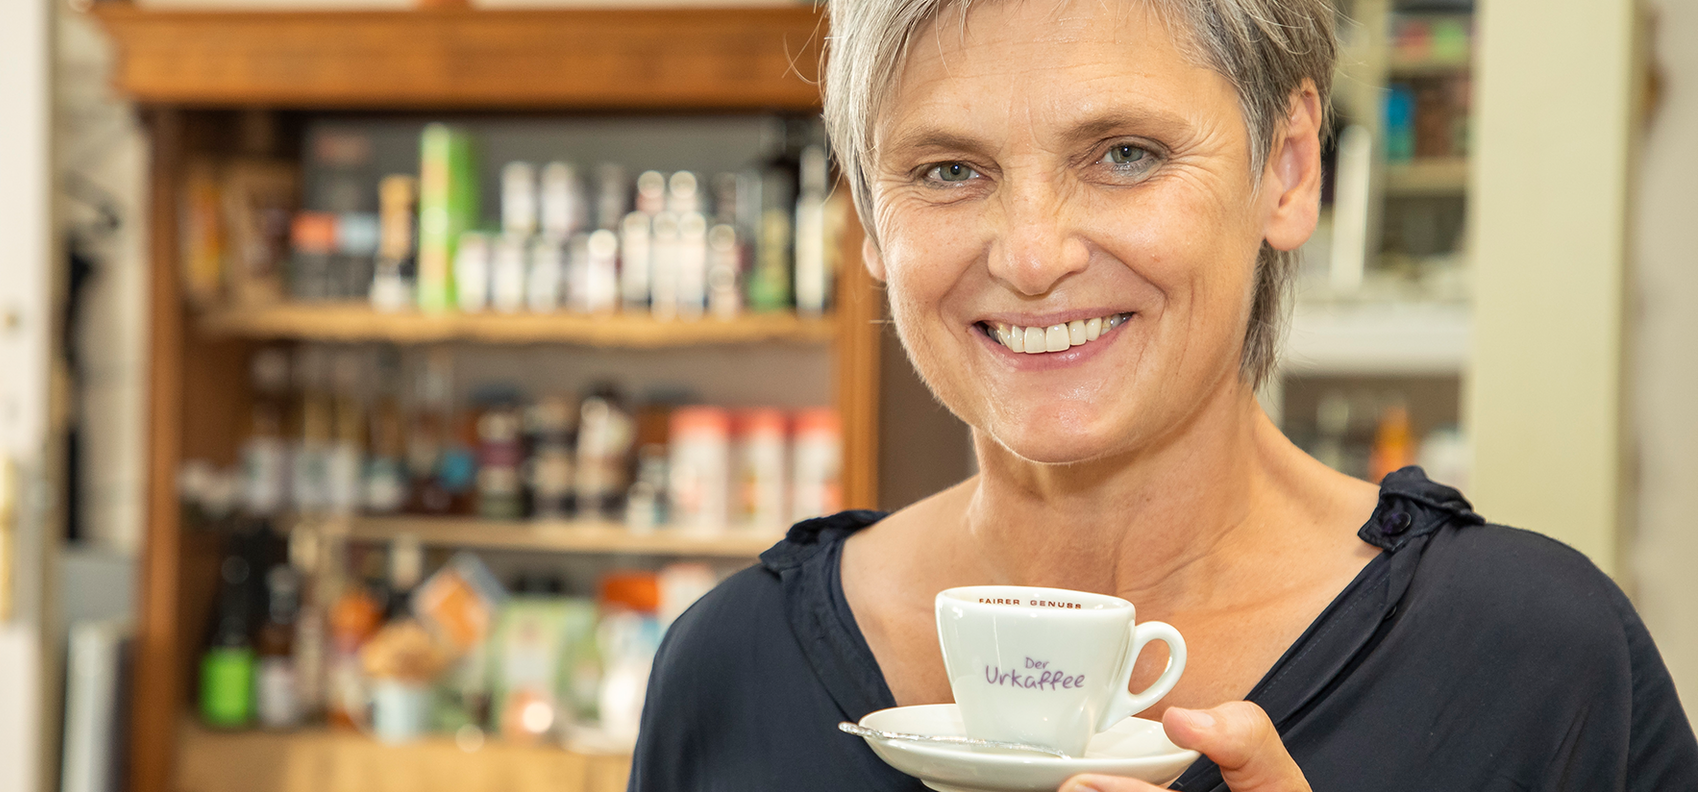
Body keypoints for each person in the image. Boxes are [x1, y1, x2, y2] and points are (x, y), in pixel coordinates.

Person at [626, 0, 1698, 789]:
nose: (1033, 254)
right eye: (948, 170)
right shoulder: (732, 667)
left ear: (1285, 168)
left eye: (1124, 154)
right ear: (865, 217)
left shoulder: (1538, 665)